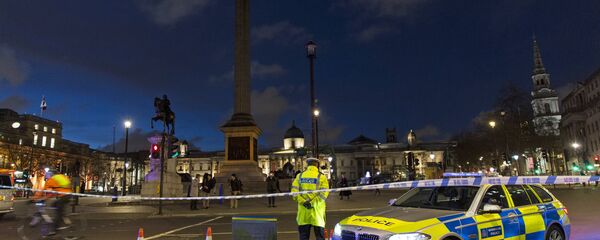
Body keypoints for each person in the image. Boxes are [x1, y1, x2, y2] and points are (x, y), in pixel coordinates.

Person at [291, 158, 329, 240]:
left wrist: (303, 202)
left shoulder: (299, 176)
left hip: (303, 213)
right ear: (317, 165)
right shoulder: (321, 177)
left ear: (307, 165)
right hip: (317, 213)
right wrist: (312, 203)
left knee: (304, 237)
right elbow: (323, 195)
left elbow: (294, 192)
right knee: (319, 237)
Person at [40, 171, 73, 235]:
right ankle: (64, 217)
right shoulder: (61, 176)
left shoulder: (50, 181)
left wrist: (43, 199)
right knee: (54, 205)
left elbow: (50, 193)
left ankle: (55, 230)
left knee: (58, 213)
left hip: (63, 196)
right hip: (69, 195)